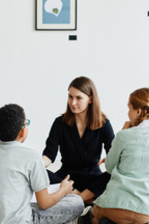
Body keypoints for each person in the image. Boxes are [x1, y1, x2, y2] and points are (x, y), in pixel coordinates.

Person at [0, 103, 84, 224]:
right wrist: (63, 190)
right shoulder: (31, 156)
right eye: (27, 123)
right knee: (76, 201)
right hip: (23, 221)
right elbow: (44, 203)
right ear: (22, 131)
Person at [92, 87, 149, 224]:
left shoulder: (124, 135)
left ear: (138, 111)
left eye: (129, 108)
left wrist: (123, 131)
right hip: (145, 212)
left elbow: (109, 167)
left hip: (114, 207)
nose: (128, 113)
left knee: (94, 213)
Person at [42, 76, 115, 204]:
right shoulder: (59, 123)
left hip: (93, 178)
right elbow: (49, 156)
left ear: (91, 99)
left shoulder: (104, 124)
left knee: (113, 175)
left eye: (78, 98)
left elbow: (113, 155)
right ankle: (83, 198)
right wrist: (35, 165)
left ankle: (77, 199)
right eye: (70, 97)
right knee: (39, 172)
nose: (73, 102)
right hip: (66, 178)